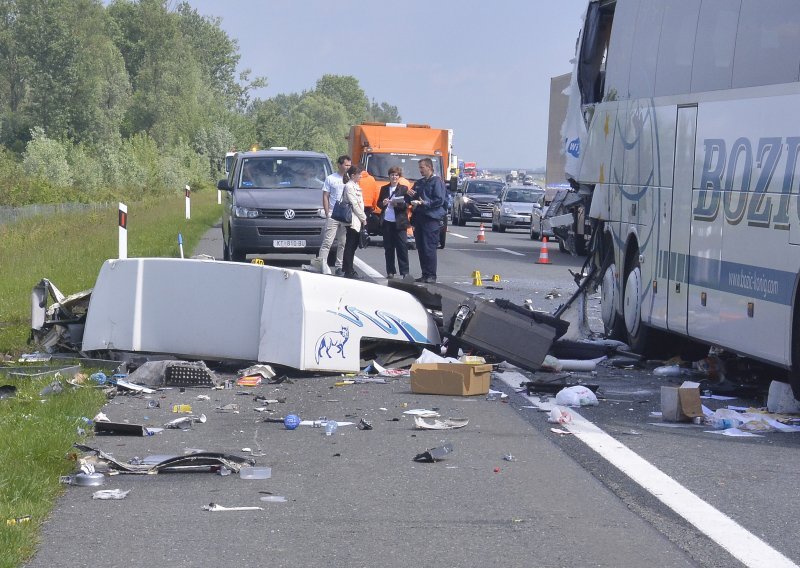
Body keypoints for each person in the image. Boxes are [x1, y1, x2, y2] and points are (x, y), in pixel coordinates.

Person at [407, 158, 446, 283]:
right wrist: (410, 195)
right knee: (421, 247)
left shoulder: (436, 181)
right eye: (419, 168)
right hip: (419, 218)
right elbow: (411, 197)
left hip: (431, 218)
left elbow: (439, 200)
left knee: (429, 247)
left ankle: (431, 275)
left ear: (429, 167)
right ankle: (425, 274)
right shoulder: (420, 182)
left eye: (422, 168)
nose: (420, 170)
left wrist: (426, 203)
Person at [316, 155, 351, 275]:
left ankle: (339, 266)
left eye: (349, 165)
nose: (348, 167)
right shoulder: (331, 178)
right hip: (333, 214)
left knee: (343, 242)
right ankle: (322, 264)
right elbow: (325, 196)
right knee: (328, 241)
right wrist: (327, 213)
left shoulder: (350, 179)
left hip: (345, 215)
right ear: (339, 165)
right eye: (346, 165)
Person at [378, 166, 411, 279]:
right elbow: (378, 204)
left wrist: (397, 204)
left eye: (396, 175)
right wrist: (383, 203)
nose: (394, 177)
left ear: (399, 177)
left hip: (400, 222)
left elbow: (407, 204)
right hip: (387, 221)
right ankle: (390, 271)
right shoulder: (384, 188)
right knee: (389, 248)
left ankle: (404, 271)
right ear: (389, 176)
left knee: (402, 247)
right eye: (392, 175)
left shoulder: (404, 188)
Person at [341, 165, 368, 279]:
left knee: (353, 245)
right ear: (353, 175)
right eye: (359, 174)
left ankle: (348, 267)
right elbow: (354, 204)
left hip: (357, 219)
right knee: (350, 245)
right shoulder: (349, 186)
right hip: (352, 219)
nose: (360, 176)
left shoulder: (356, 186)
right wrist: (363, 217)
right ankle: (348, 270)